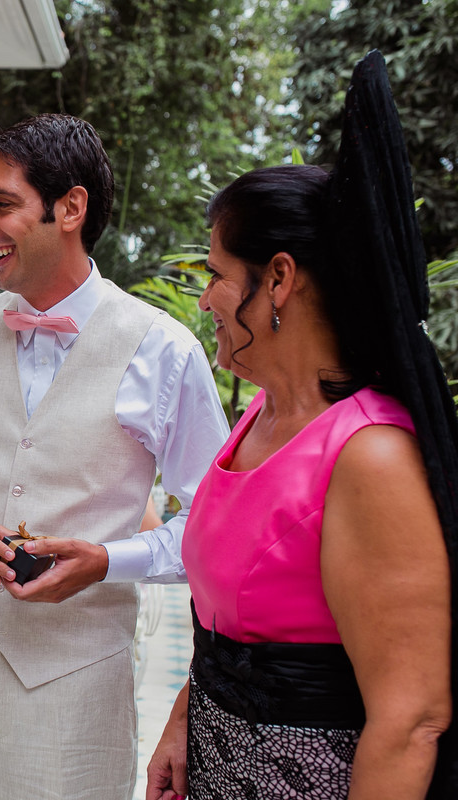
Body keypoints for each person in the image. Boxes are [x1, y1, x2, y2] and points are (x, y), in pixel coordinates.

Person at [0, 113, 230, 799]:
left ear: (70, 207)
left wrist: (110, 561)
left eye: (2, 205)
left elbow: (215, 523)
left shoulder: (163, 351)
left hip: (76, 688)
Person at [146, 52, 457, 800]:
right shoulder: (259, 413)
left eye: (219, 274)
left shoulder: (370, 456)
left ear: (279, 279)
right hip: (218, 765)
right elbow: (228, 625)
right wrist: (185, 719)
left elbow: (412, 717)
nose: (207, 298)